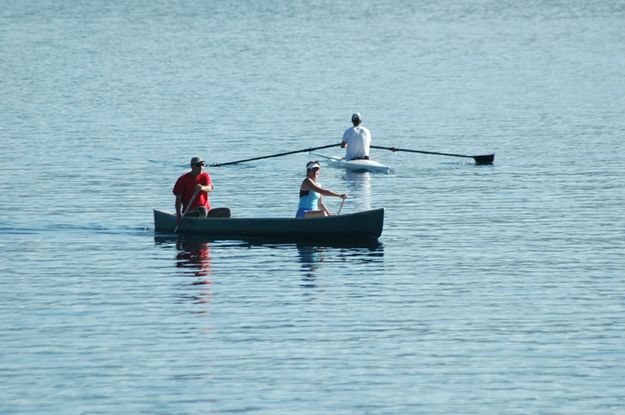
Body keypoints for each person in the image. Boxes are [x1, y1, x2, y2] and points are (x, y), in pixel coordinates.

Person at [173, 156, 230, 224]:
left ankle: (213, 227)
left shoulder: (205, 176)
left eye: (202, 165)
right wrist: (178, 215)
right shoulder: (182, 179)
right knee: (203, 210)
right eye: (198, 165)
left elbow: (210, 188)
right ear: (192, 166)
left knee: (226, 211)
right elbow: (178, 200)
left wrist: (202, 188)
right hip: (190, 212)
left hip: (206, 211)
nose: (201, 167)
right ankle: (201, 226)